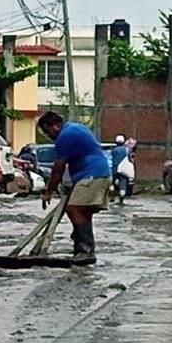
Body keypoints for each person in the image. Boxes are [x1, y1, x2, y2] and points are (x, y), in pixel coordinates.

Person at [37, 111, 111, 265]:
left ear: (54, 126)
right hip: (98, 173)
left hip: (92, 174)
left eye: (47, 131)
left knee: (74, 209)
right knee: (84, 211)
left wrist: (48, 192)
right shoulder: (75, 128)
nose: (48, 136)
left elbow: (58, 169)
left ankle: (85, 250)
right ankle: (82, 248)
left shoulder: (65, 136)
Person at [110, 134, 130, 204]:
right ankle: (121, 199)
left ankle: (112, 196)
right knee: (123, 184)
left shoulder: (114, 150)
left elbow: (111, 158)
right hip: (123, 169)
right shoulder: (127, 150)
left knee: (111, 183)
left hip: (115, 169)